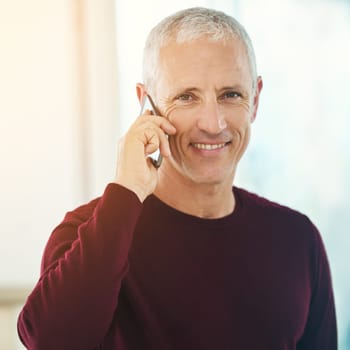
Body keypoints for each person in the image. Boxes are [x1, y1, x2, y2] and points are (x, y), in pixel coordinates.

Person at [17, 7, 337, 350]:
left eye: (231, 95)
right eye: (187, 97)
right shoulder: (88, 233)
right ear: (147, 105)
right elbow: (50, 342)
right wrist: (126, 190)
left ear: (255, 100)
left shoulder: (297, 240)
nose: (213, 124)